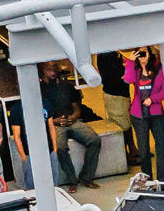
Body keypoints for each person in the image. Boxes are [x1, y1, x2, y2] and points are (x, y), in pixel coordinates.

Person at [9, 62, 102, 190]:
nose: (52, 73)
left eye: (54, 69)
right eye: (48, 70)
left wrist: (73, 117)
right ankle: (72, 181)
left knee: (95, 140)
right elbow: (40, 115)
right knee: (60, 148)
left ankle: (87, 177)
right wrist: (55, 121)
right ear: (43, 72)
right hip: (54, 124)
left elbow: (77, 107)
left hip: (72, 120)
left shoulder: (67, 86)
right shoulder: (39, 90)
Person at [124, 47, 164, 180]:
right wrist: (130, 62)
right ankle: (147, 180)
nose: (143, 55)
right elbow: (128, 79)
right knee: (143, 150)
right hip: (139, 116)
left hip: (156, 113)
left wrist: (152, 99)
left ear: (150, 54)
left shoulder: (158, 69)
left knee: (162, 146)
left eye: (145, 52)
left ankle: (163, 180)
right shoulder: (135, 70)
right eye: (140, 53)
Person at [95, 48, 138, 168]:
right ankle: (125, 155)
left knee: (127, 123)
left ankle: (132, 149)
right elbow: (112, 76)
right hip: (115, 94)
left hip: (120, 93)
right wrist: (126, 68)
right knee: (121, 126)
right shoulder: (105, 54)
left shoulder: (110, 52)